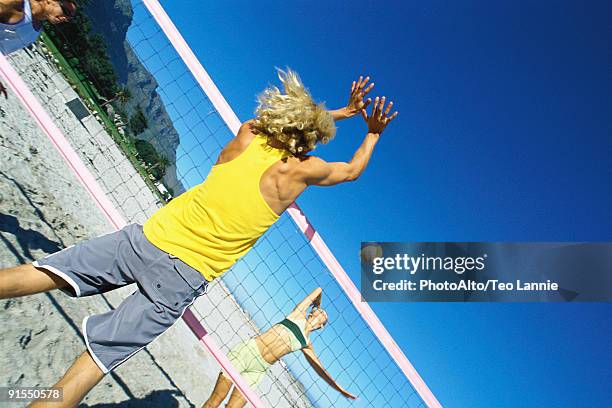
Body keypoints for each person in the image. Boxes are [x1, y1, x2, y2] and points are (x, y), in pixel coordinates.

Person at [0, 69, 398, 407]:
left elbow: (294, 121)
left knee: (42, 272)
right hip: (182, 277)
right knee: (95, 360)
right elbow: (350, 171)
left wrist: (339, 112)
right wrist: (373, 133)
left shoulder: (249, 134)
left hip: (149, 238)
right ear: (312, 135)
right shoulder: (298, 171)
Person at [203, 287, 355, 408]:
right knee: (214, 401)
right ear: (311, 312)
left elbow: (321, 371)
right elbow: (318, 290)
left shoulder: (306, 343)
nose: (321, 313)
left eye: (324, 315)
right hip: (246, 353)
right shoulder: (297, 314)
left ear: (322, 326)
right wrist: (317, 304)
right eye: (319, 311)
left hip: (258, 370)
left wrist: (340, 390)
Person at [0, 0, 77, 96]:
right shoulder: (16, 4)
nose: (66, 18)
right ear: (50, 1)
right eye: (66, 11)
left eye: (70, 18)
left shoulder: (37, 29)